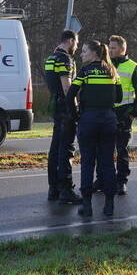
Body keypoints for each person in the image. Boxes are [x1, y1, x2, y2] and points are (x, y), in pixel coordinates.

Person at [66, 40, 122, 218]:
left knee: (88, 163)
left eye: (84, 52)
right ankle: (109, 205)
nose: (81, 54)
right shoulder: (112, 71)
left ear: (94, 54)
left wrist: (76, 117)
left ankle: (87, 206)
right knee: (107, 163)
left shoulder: (85, 71)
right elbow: (119, 97)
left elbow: (70, 96)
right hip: (108, 120)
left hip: (88, 121)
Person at [43, 31, 82, 204]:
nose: (77, 46)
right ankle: (66, 189)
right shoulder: (65, 59)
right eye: (77, 42)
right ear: (71, 40)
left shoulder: (51, 57)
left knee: (55, 148)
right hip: (65, 107)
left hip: (55, 105)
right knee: (66, 149)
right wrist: (74, 110)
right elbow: (67, 87)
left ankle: (54, 188)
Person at [109, 35, 137, 195]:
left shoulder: (133, 66)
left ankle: (121, 181)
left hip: (124, 113)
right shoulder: (106, 65)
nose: (110, 50)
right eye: (109, 48)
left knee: (122, 150)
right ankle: (103, 180)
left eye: (113, 48)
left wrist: (132, 114)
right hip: (108, 113)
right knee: (104, 150)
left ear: (122, 49)